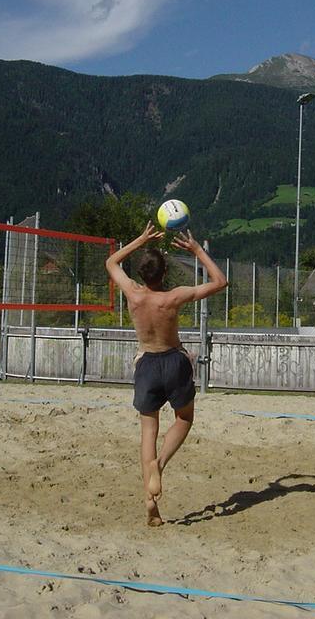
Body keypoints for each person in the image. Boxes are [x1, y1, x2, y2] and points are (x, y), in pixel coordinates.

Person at [105, 222, 228, 525]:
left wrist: (142, 239)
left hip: (146, 363)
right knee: (184, 419)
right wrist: (197, 249)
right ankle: (159, 464)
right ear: (164, 275)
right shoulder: (173, 297)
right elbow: (220, 281)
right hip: (174, 361)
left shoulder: (133, 294)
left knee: (149, 430)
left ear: (141, 275)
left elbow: (111, 261)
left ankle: (150, 497)